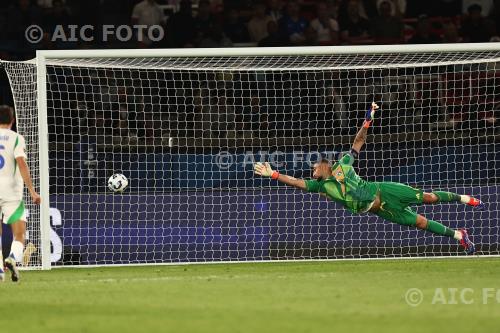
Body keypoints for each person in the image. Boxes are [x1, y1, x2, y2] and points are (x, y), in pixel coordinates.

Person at [254, 103, 484, 255]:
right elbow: (295, 182)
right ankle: (459, 235)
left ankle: (463, 198)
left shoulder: (343, 164)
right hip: (380, 209)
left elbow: (358, 142)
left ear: (325, 165)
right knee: (421, 223)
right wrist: (272, 173)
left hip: (384, 191)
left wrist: (367, 120)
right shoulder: (319, 186)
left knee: (429, 198)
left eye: (314, 167)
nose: (312, 171)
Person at [0, 105, 41, 282]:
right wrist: (32, 191)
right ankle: (12, 258)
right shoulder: (16, 138)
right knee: (19, 234)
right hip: (11, 192)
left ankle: (0, 271)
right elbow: (22, 164)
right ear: (13, 121)